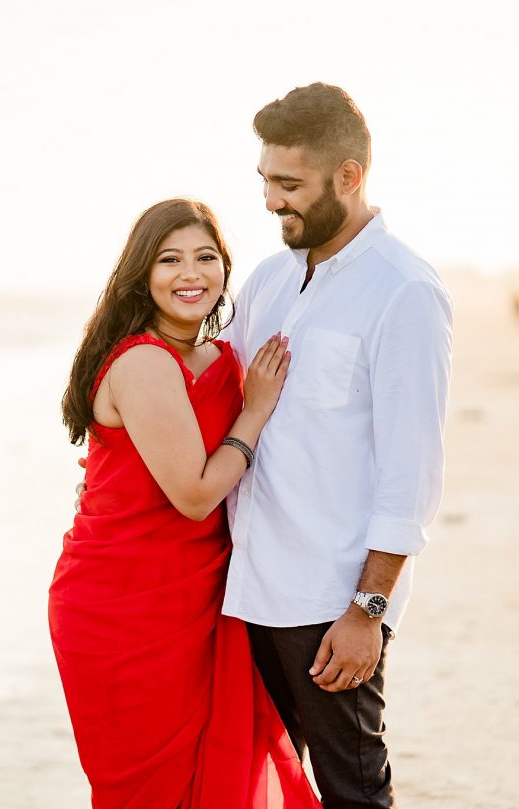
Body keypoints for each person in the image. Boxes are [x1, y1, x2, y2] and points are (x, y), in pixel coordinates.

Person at [222, 83, 454, 808]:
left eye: (288, 184)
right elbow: (209, 392)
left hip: (331, 605)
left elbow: (411, 472)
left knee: (354, 792)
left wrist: (367, 610)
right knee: (268, 790)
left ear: (349, 177)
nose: (270, 200)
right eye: (264, 181)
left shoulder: (403, 291)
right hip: (245, 591)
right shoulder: (268, 279)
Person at [49, 198, 321, 808]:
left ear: (226, 269)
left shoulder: (223, 358)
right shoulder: (144, 360)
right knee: (146, 788)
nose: (189, 273)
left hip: (201, 598)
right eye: (170, 259)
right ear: (142, 273)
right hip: (122, 607)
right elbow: (197, 495)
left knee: (213, 772)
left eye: (206, 257)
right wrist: (254, 413)